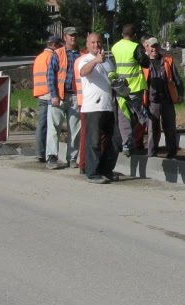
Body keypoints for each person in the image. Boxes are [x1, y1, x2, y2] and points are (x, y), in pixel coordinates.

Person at [76, 33, 118, 184]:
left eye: (98, 42)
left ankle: (106, 170)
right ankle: (92, 173)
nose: (96, 45)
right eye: (92, 42)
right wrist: (95, 60)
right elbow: (83, 72)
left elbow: (113, 79)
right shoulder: (84, 60)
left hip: (108, 106)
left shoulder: (108, 62)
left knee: (115, 140)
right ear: (87, 45)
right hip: (92, 107)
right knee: (93, 141)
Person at [142, 37, 184, 159]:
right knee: (152, 130)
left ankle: (172, 154)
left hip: (167, 100)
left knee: (170, 129)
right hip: (151, 102)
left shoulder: (167, 61)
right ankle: (152, 154)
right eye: (152, 47)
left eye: (156, 46)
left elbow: (177, 79)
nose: (154, 49)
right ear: (147, 48)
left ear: (159, 47)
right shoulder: (143, 63)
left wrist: (180, 94)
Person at [111, 23, 149, 156]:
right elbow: (145, 62)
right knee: (138, 116)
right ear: (134, 36)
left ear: (122, 34)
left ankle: (126, 144)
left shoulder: (115, 47)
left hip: (121, 88)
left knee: (123, 115)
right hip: (134, 87)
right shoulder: (135, 47)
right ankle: (138, 138)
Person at [46, 26, 82, 170]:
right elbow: (50, 75)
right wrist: (54, 95)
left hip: (75, 96)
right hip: (60, 96)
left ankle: (72, 158)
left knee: (75, 129)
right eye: (70, 35)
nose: (73, 37)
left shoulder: (81, 55)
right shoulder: (58, 54)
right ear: (65, 37)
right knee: (54, 128)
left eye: (75, 35)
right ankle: (52, 156)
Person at [32, 35, 61, 163]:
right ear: (54, 45)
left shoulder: (39, 57)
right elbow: (52, 76)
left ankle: (40, 152)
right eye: (59, 45)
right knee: (49, 126)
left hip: (40, 93)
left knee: (42, 124)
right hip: (49, 94)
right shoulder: (51, 57)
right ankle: (44, 153)